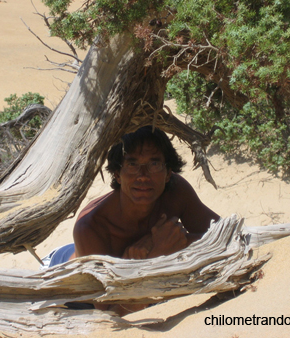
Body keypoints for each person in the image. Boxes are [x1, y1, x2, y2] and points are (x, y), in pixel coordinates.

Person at [70, 126, 220, 315]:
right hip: (75, 282)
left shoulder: (176, 192)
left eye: (154, 164)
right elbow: (111, 314)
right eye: (132, 165)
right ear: (117, 174)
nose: (143, 175)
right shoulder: (91, 227)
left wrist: (155, 242)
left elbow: (223, 236)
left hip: (130, 285)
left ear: (168, 173)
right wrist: (156, 256)